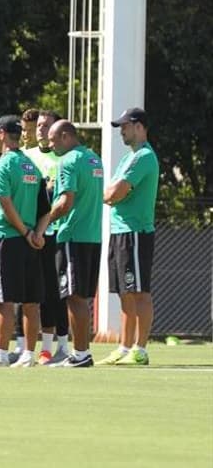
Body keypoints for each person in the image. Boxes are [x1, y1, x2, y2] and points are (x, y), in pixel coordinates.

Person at [34, 120, 103, 367]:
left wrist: (42, 224)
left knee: (74, 297)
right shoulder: (94, 158)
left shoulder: (68, 161)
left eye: (53, 140)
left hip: (72, 236)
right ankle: (81, 352)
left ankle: (80, 354)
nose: (49, 145)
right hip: (92, 235)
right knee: (81, 297)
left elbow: (65, 202)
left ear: (65, 136)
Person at [0, 115, 46, 368]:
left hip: (7, 238)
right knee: (30, 300)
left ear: (3, 134)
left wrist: (25, 232)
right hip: (29, 241)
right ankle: (29, 354)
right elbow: (45, 208)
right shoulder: (31, 166)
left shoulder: (1, 165)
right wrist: (36, 233)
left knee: (3, 299)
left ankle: (2, 354)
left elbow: (5, 203)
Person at [98, 107, 159, 366]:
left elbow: (114, 193)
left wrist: (111, 194)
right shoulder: (128, 158)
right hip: (121, 232)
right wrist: (111, 193)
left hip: (135, 232)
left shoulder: (143, 157)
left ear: (139, 126)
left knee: (139, 291)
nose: (121, 130)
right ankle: (124, 347)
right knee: (125, 292)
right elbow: (112, 191)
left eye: (125, 126)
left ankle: (140, 349)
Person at [24, 110, 70, 364]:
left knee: (56, 291)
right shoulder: (27, 158)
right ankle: (32, 347)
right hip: (29, 234)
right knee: (30, 292)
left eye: (46, 126)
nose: (40, 130)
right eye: (39, 125)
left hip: (55, 234)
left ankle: (62, 346)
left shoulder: (63, 158)